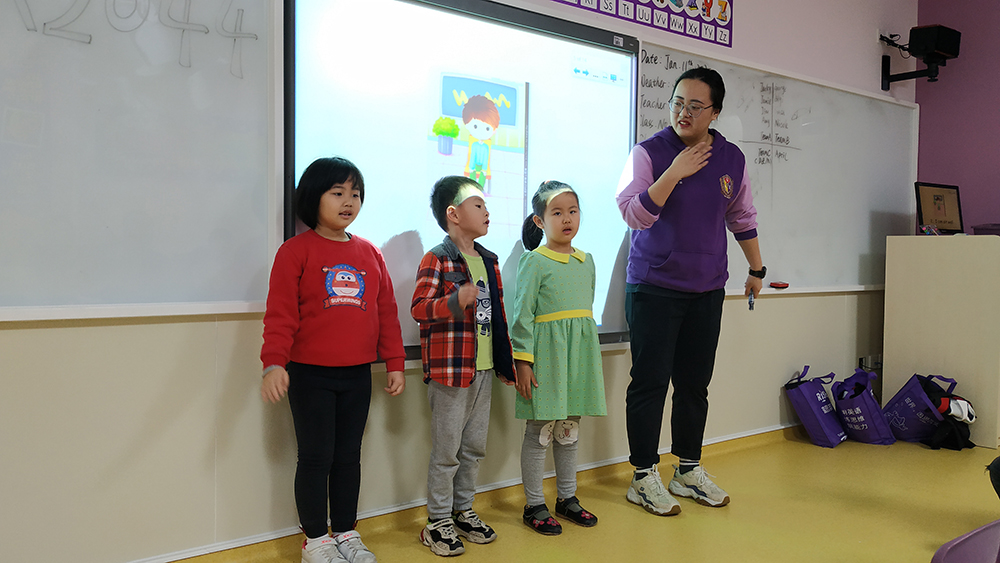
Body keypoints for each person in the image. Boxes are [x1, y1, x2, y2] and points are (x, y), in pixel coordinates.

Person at [615, 67, 764, 516]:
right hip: (654, 288)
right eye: (678, 103)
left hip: (707, 288)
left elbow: (741, 216)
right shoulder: (647, 153)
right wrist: (674, 173)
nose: (683, 112)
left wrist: (757, 267)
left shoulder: (731, 158)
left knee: (694, 385)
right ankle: (643, 475)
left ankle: (687, 470)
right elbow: (632, 214)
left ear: (715, 112)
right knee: (650, 383)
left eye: (695, 106)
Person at [260, 157, 406, 563]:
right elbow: (280, 314)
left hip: (357, 375)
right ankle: (315, 540)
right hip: (309, 375)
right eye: (337, 192)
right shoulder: (295, 251)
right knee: (315, 457)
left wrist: (395, 362)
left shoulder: (370, 253)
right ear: (313, 197)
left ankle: (344, 530)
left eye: (355, 194)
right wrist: (273, 363)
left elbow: (386, 312)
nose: (348, 201)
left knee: (348, 457)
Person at [410, 176, 515, 557]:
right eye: (478, 204)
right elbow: (419, 308)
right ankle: (437, 520)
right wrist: (455, 301)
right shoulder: (437, 258)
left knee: (473, 448)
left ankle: (463, 510)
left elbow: (497, 315)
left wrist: (505, 362)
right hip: (451, 373)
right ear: (453, 214)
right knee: (447, 451)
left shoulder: (489, 260)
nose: (486, 211)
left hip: (483, 370)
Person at [512, 181, 607, 536]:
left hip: (577, 358)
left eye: (572, 211)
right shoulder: (534, 261)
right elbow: (522, 314)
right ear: (540, 221)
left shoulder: (587, 261)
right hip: (546, 358)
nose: (567, 219)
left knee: (569, 431)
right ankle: (534, 504)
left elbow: (583, 315)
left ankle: (567, 497)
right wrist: (523, 361)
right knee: (540, 432)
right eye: (557, 212)